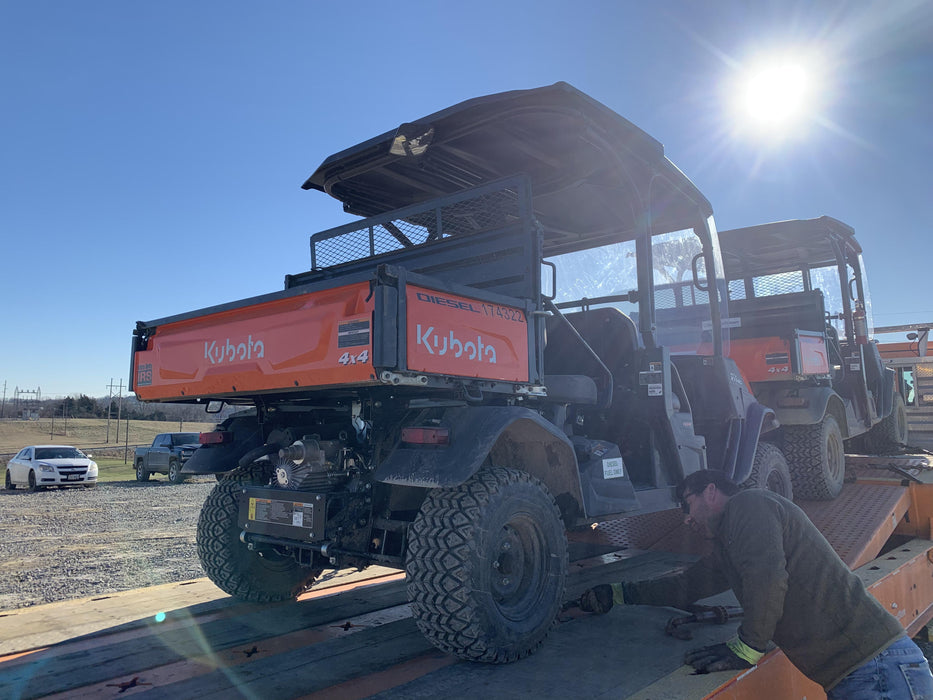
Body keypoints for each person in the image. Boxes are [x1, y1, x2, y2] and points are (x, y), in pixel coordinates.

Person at [578, 469, 933, 699]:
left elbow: (768, 578)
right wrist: (620, 593)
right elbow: (688, 585)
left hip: (878, 671)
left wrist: (747, 647)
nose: (686, 520)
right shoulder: (731, 541)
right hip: (862, 675)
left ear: (711, 491)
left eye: (687, 505)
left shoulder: (750, 505)